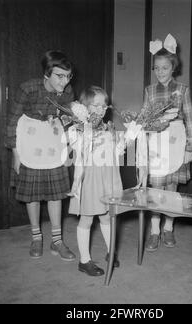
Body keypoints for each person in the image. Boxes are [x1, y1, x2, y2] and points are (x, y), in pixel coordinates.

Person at [6, 50, 76, 261]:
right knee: (32, 195)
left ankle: (57, 241)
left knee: (56, 194)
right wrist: (16, 154)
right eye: (59, 76)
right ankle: (36, 237)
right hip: (29, 144)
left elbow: (68, 121)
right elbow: (12, 121)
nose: (65, 81)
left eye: (68, 76)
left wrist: (69, 148)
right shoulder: (27, 89)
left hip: (53, 144)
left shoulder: (68, 92)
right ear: (47, 74)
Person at [143, 35, 192, 251]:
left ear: (173, 67)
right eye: (157, 68)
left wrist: (189, 147)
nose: (160, 72)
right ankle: (154, 231)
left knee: (171, 189)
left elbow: (190, 119)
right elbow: (145, 117)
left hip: (177, 142)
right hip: (157, 142)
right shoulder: (149, 90)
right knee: (156, 188)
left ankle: (168, 227)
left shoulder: (183, 90)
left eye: (164, 67)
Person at [69, 86, 123, 276]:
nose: (101, 109)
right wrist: (85, 126)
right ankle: (84, 261)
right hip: (90, 180)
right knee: (86, 219)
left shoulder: (109, 127)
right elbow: (80, 151)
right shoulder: (78, 129)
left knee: (107, 216)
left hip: (107, 178)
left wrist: (127, 138)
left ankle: (111, 252)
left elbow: (116, 153)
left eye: (104, 106)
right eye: (96, 105)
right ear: (84, 108)